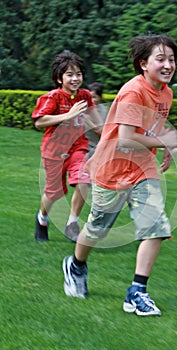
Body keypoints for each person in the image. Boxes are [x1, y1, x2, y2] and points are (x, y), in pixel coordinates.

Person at [62, 34, 177, 316]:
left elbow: (152, 132)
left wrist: (165, 146)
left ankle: (137, 291)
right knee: (97, 229)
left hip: (142, 169)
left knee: (157, 226)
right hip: (112, 170)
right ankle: (75, 265)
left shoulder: (166, 93)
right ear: (143, 64)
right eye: (160, 59)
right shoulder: (133, 92)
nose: (168, 65)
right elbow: (125, 139)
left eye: (172, 59)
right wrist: (165, 142)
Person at [32, 50, 101, 243]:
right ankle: (42, 218)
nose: (75, 78)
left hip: (78, 148)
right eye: (69, 74)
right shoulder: (52, 97)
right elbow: (39, 122)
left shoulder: (85, 96)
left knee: (84, 180)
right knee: (54, 193)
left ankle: (72, 223)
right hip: (54, 151)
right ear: (59, 78)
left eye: (78, 74)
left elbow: (95, 124)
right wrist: (67, 115)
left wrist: (111, 137)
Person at [85, 82, 108, 159]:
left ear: (100, 97)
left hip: (96, 148)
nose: (91, 100)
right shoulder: (82, 109)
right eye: (89, 97)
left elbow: (101, 132)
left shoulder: (103, 111)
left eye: (94, 97)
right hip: (83, 147)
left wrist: (88, 121)